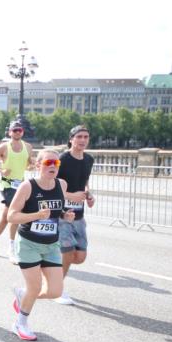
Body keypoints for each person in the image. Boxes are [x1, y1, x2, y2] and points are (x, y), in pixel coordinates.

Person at [7, 149, 75, 340]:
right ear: (38, 165)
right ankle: (20, 323)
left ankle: (23, 294)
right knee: (35, 287)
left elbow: (57, 210)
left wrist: (65, 215)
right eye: (48, 163)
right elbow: (11, 216)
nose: (52, 166)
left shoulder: (61, 184)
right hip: (29, 244)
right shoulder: (27, 187)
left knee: (56, 291)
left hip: (51, 245)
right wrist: (35, 215)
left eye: (56, 163)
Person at [55, 125, 96, 305]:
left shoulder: (89, 159)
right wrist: (71, 196)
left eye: (86, 137)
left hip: (79, 215)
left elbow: (85, 180)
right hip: (63, 214)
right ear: (71, 139)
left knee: (79, 257)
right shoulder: (62, 159)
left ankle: (50, 261)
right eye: (79, 136)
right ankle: (57, 289)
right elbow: (51, 184)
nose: (83, 140)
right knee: (68, 252)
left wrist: (88, 194)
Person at [0, 122, 32, 259]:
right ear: (10, 132)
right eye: (15, 130)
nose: (17, 132)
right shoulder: (4, 147)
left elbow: (29, 164)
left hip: (21, 184)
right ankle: (12, 249)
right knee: (15, 214)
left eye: (20, 130)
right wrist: (1, 170)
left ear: (22, 132)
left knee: (6, 217)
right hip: (6, 183)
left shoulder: (28, 147)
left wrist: (33, 166)